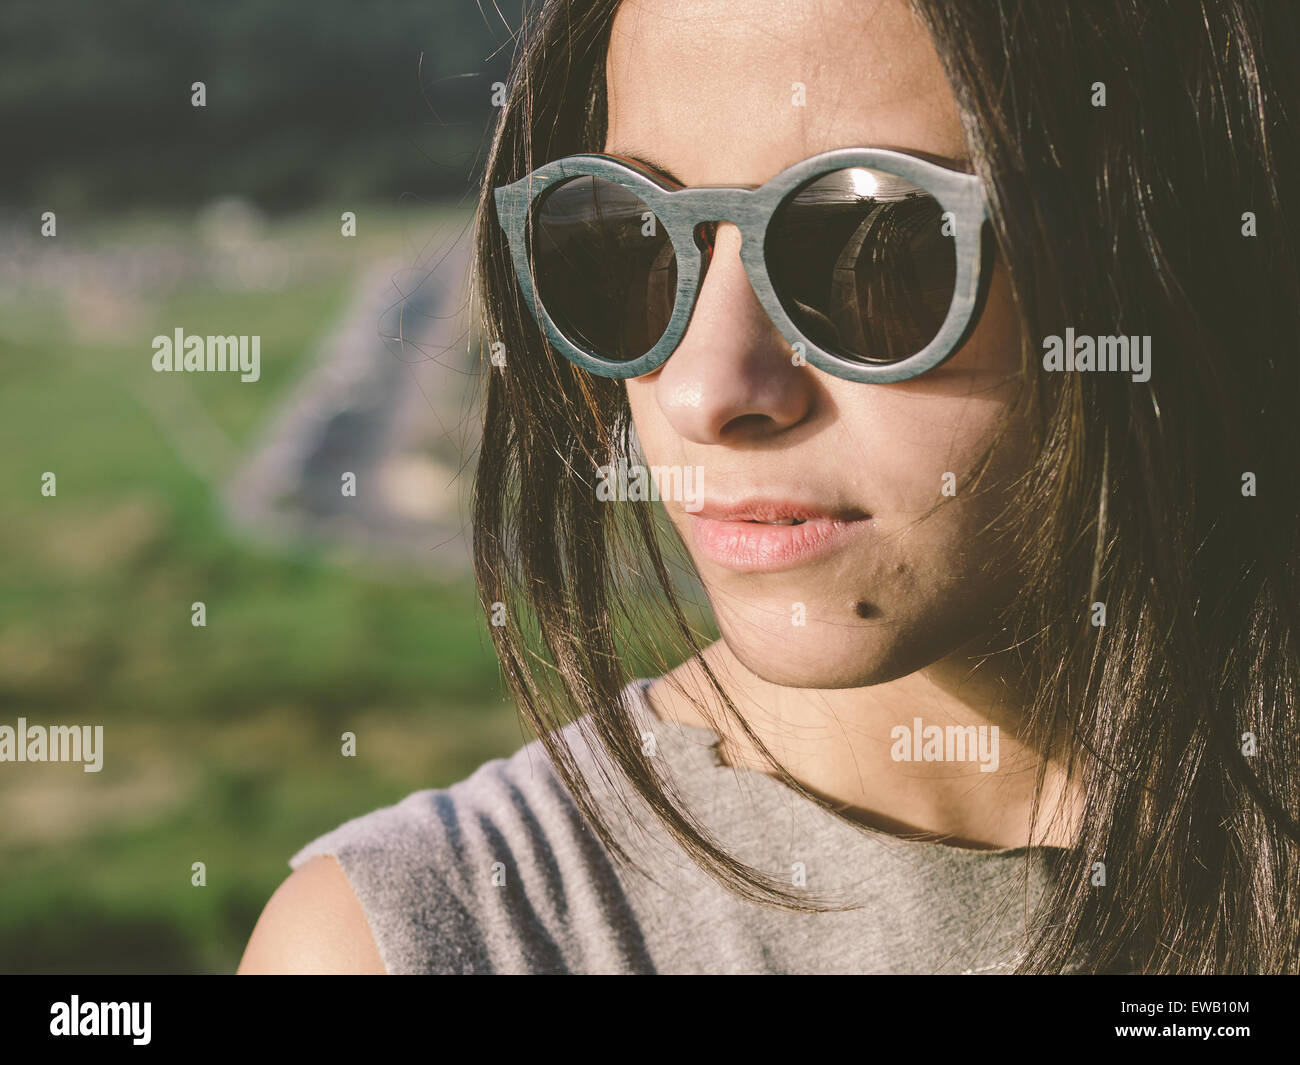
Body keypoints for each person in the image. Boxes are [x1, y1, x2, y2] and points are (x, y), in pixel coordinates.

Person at [239, 0, 1300, 974]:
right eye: (626, 239)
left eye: (874, 248)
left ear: (1174, 254)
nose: (706, 388)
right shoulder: (417, 943)